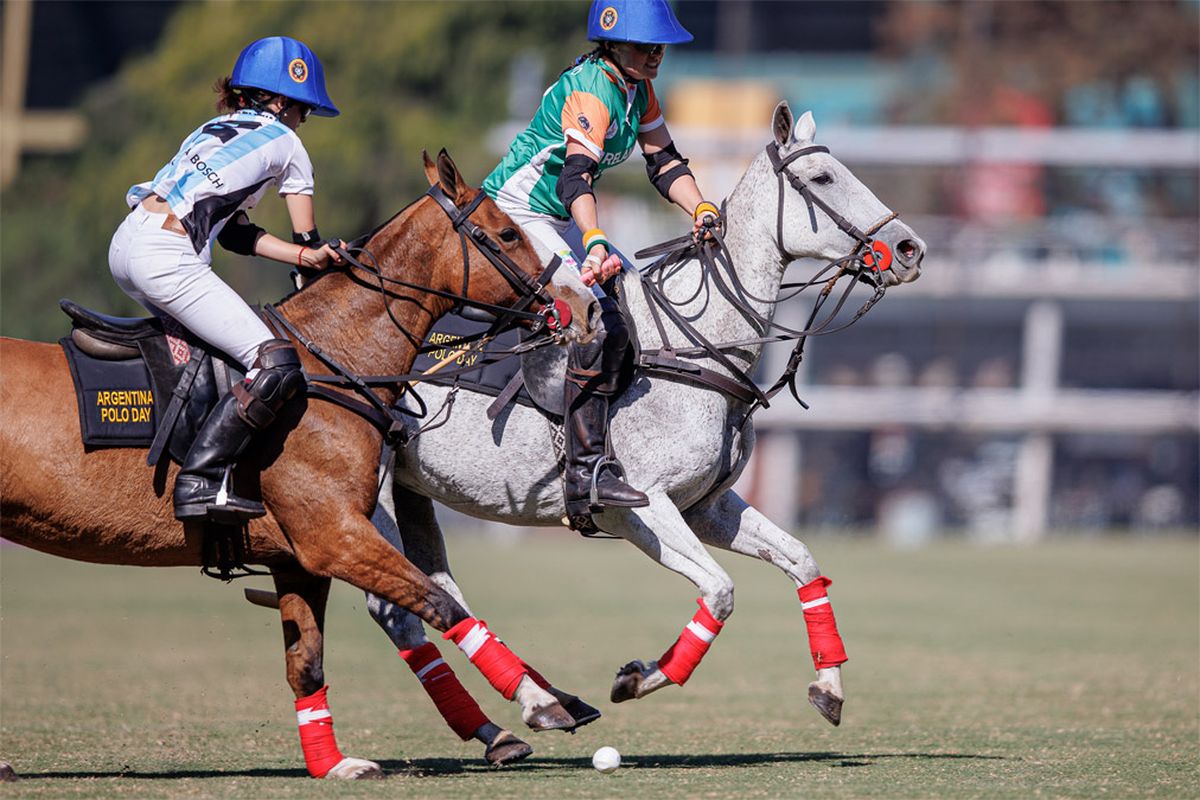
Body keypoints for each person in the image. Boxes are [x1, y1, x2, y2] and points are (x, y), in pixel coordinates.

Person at [482, 0, 719, 525]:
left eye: (661, 45)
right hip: (515, 216)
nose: (656, 53)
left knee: (639, 306)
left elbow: (664, 162)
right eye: (644, 45)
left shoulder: (639, 90)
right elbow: (575, 179)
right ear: (612, 44)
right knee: (596, 321)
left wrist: (701, 205)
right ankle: (584, 472)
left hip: (559, 216)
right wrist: (593, 240)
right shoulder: (593, 89)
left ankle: (621, 446)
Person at [108, 36, 343, 522]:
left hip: (127, 243)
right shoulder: (288, 144)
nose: (303, 122)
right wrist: (313, 255)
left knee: (213, 354)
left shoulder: (215, 127)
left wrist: (302, 255)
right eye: (303, 110)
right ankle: (200, 479)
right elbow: (309, 235)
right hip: (167, 258)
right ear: (280, 101)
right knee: (276, 363)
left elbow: (235, 234)